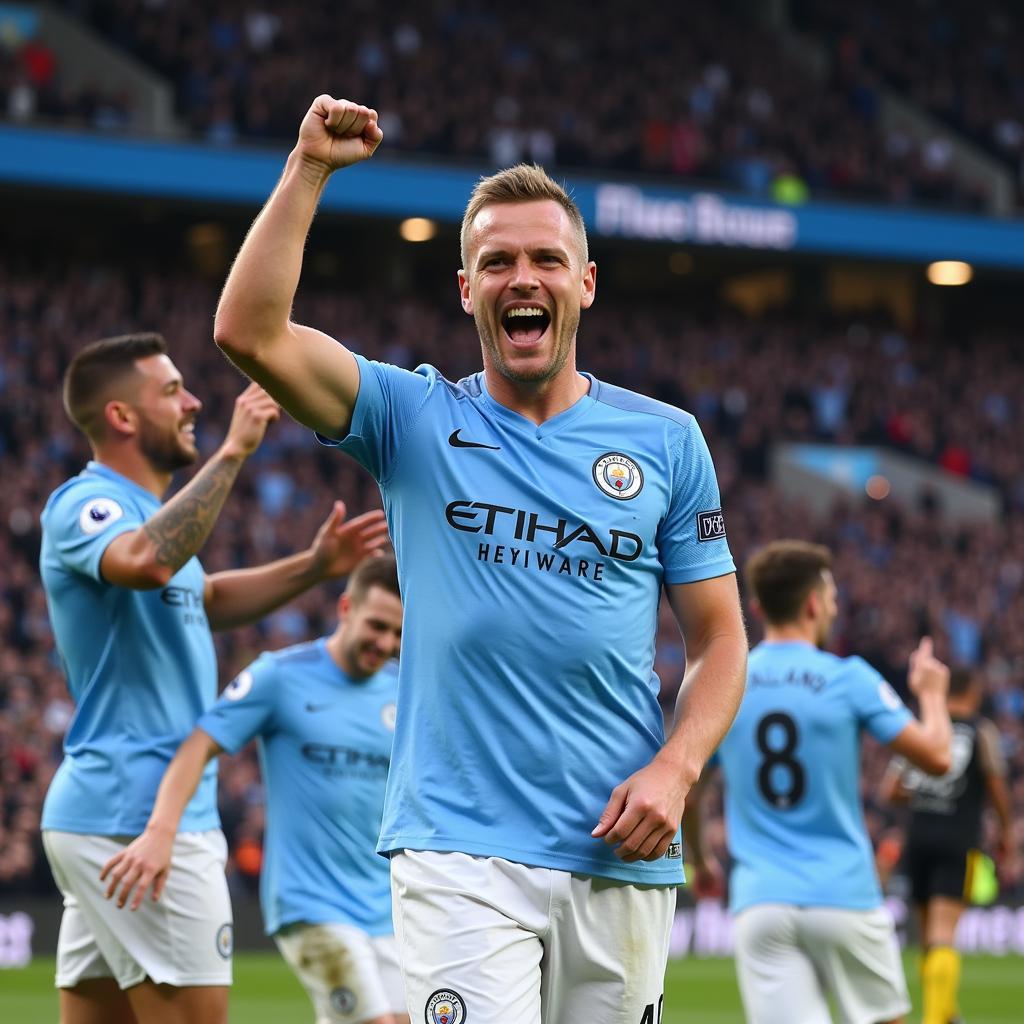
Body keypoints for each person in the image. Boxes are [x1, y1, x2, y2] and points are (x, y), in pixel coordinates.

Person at [212, 96, 749, 1022]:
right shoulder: (411, 417)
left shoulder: (667, 442)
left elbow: (720, 642)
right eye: (495, 261)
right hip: (457, 848)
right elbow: (249, 333)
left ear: (586, 283)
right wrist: (307, 171)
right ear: (467, 290)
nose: (521, 276)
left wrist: (677, 769)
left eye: (545, 258)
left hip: (616, 848)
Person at [39, 332, 389, 1024]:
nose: (194, 401)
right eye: (172, 391)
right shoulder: (87, 505)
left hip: (112, 820)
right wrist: (232, 452)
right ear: (122, 417)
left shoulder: (149, 520)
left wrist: (312, 567)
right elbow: (147, 564)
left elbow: (204, 596)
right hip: (139, 817)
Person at [100, 554, 408, 1024]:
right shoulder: (280, 676)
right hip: (313, 903)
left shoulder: (404, 692)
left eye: (398, 633)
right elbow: (197, 746)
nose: (385, 643)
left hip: (388, 906)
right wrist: (161, 831)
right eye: (377, 626)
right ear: (346, 608)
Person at [686, 540, 953, 1024]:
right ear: (813, 604)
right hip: (844, 892)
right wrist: (932, 695)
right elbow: (937, 757)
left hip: (761, 899)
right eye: (831, 598)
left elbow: (692, 785)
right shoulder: (848, 677)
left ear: (758, 607)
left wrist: (701, 860)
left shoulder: (728, 683)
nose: (833, 607)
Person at [881, 667, 1017, 1024]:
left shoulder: (925, 727)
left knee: (927, 937)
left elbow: (890, 790)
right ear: (971, 690)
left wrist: (926, 792)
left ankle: (947, 1012)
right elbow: (996, 785)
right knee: (944, 934)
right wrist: (1006, 833)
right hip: (959, 840)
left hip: (919, 839)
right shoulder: (980, 731)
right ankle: (935, 1018)